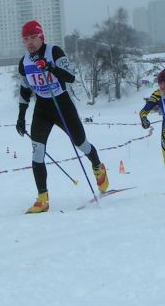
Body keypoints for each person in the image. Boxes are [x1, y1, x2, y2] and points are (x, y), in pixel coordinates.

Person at [15, 20, 108, 213]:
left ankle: (98, 166)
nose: (30, 42)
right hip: (42, 108)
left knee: (81, 144)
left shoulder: (54, 52)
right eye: (26, 39)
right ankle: (42, 199)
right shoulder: (24, 63)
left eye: (33, 37)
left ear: (41, 37)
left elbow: (70, 76)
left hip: (62, 104)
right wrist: (21, 117)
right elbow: (24, 91)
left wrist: (50, 67)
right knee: (37, 152)